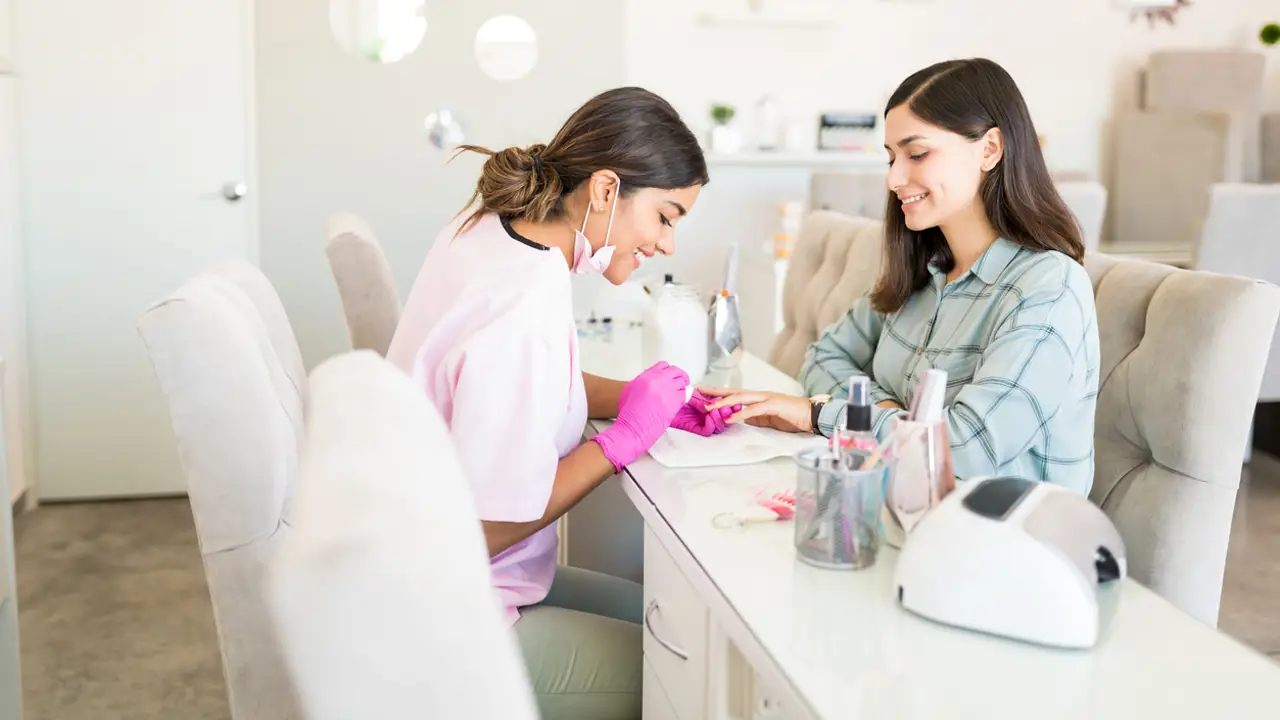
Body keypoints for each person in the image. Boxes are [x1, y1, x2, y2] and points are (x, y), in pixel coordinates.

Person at [385, 87, 733, 720]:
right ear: (605, 191)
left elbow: (526, 381)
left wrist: (633, 397)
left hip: (415, 570)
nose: (667, 245)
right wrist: (622, 440)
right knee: (698, 675)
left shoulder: (496, 232)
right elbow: (486, 530)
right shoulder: (522, 308)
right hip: (438, 620)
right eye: (666, 216)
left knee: (662, 615)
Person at [702, 58, 1101, 496]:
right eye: (891, 158)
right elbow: (824, 357)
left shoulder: (1047, 287)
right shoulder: (923, 271)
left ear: (990, 149)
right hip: (905, 514)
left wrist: (821, 415)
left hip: (1006, 545)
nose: (894, 178)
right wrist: (890, 413)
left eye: (917, 154)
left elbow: (966, 449)